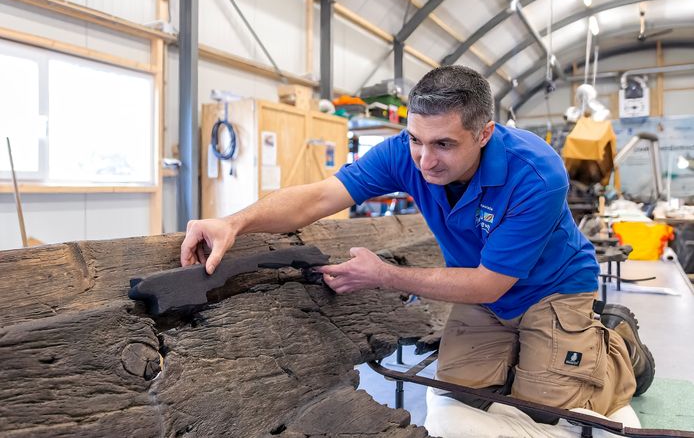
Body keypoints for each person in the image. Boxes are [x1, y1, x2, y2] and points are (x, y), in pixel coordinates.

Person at [180, 65, 654, 421]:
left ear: (484, 133)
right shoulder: (405, 153)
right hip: (481, 290)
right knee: (464, 396)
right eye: (415, 140)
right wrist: (234, 222)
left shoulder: (536, 173)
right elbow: (320, 196)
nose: (424, 160)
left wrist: (384, 275)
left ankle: (618, 349)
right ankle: (530, 356)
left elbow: (491, 283)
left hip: (551, 288)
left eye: (444, 145)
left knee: (547, 409)